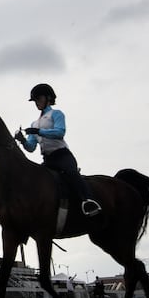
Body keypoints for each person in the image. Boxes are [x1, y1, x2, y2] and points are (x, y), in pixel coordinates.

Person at [14, 83, 102, 216]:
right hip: (48, 160)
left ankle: (88, 200)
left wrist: (39, 131)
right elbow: (31, 148)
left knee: (72, 173)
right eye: (35, 100)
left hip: (62, 156)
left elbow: (60, 132)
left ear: (48, 98)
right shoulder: (34, 124)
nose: (36, 102)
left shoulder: (56, 114)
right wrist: (22, 140)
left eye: (39, 98)